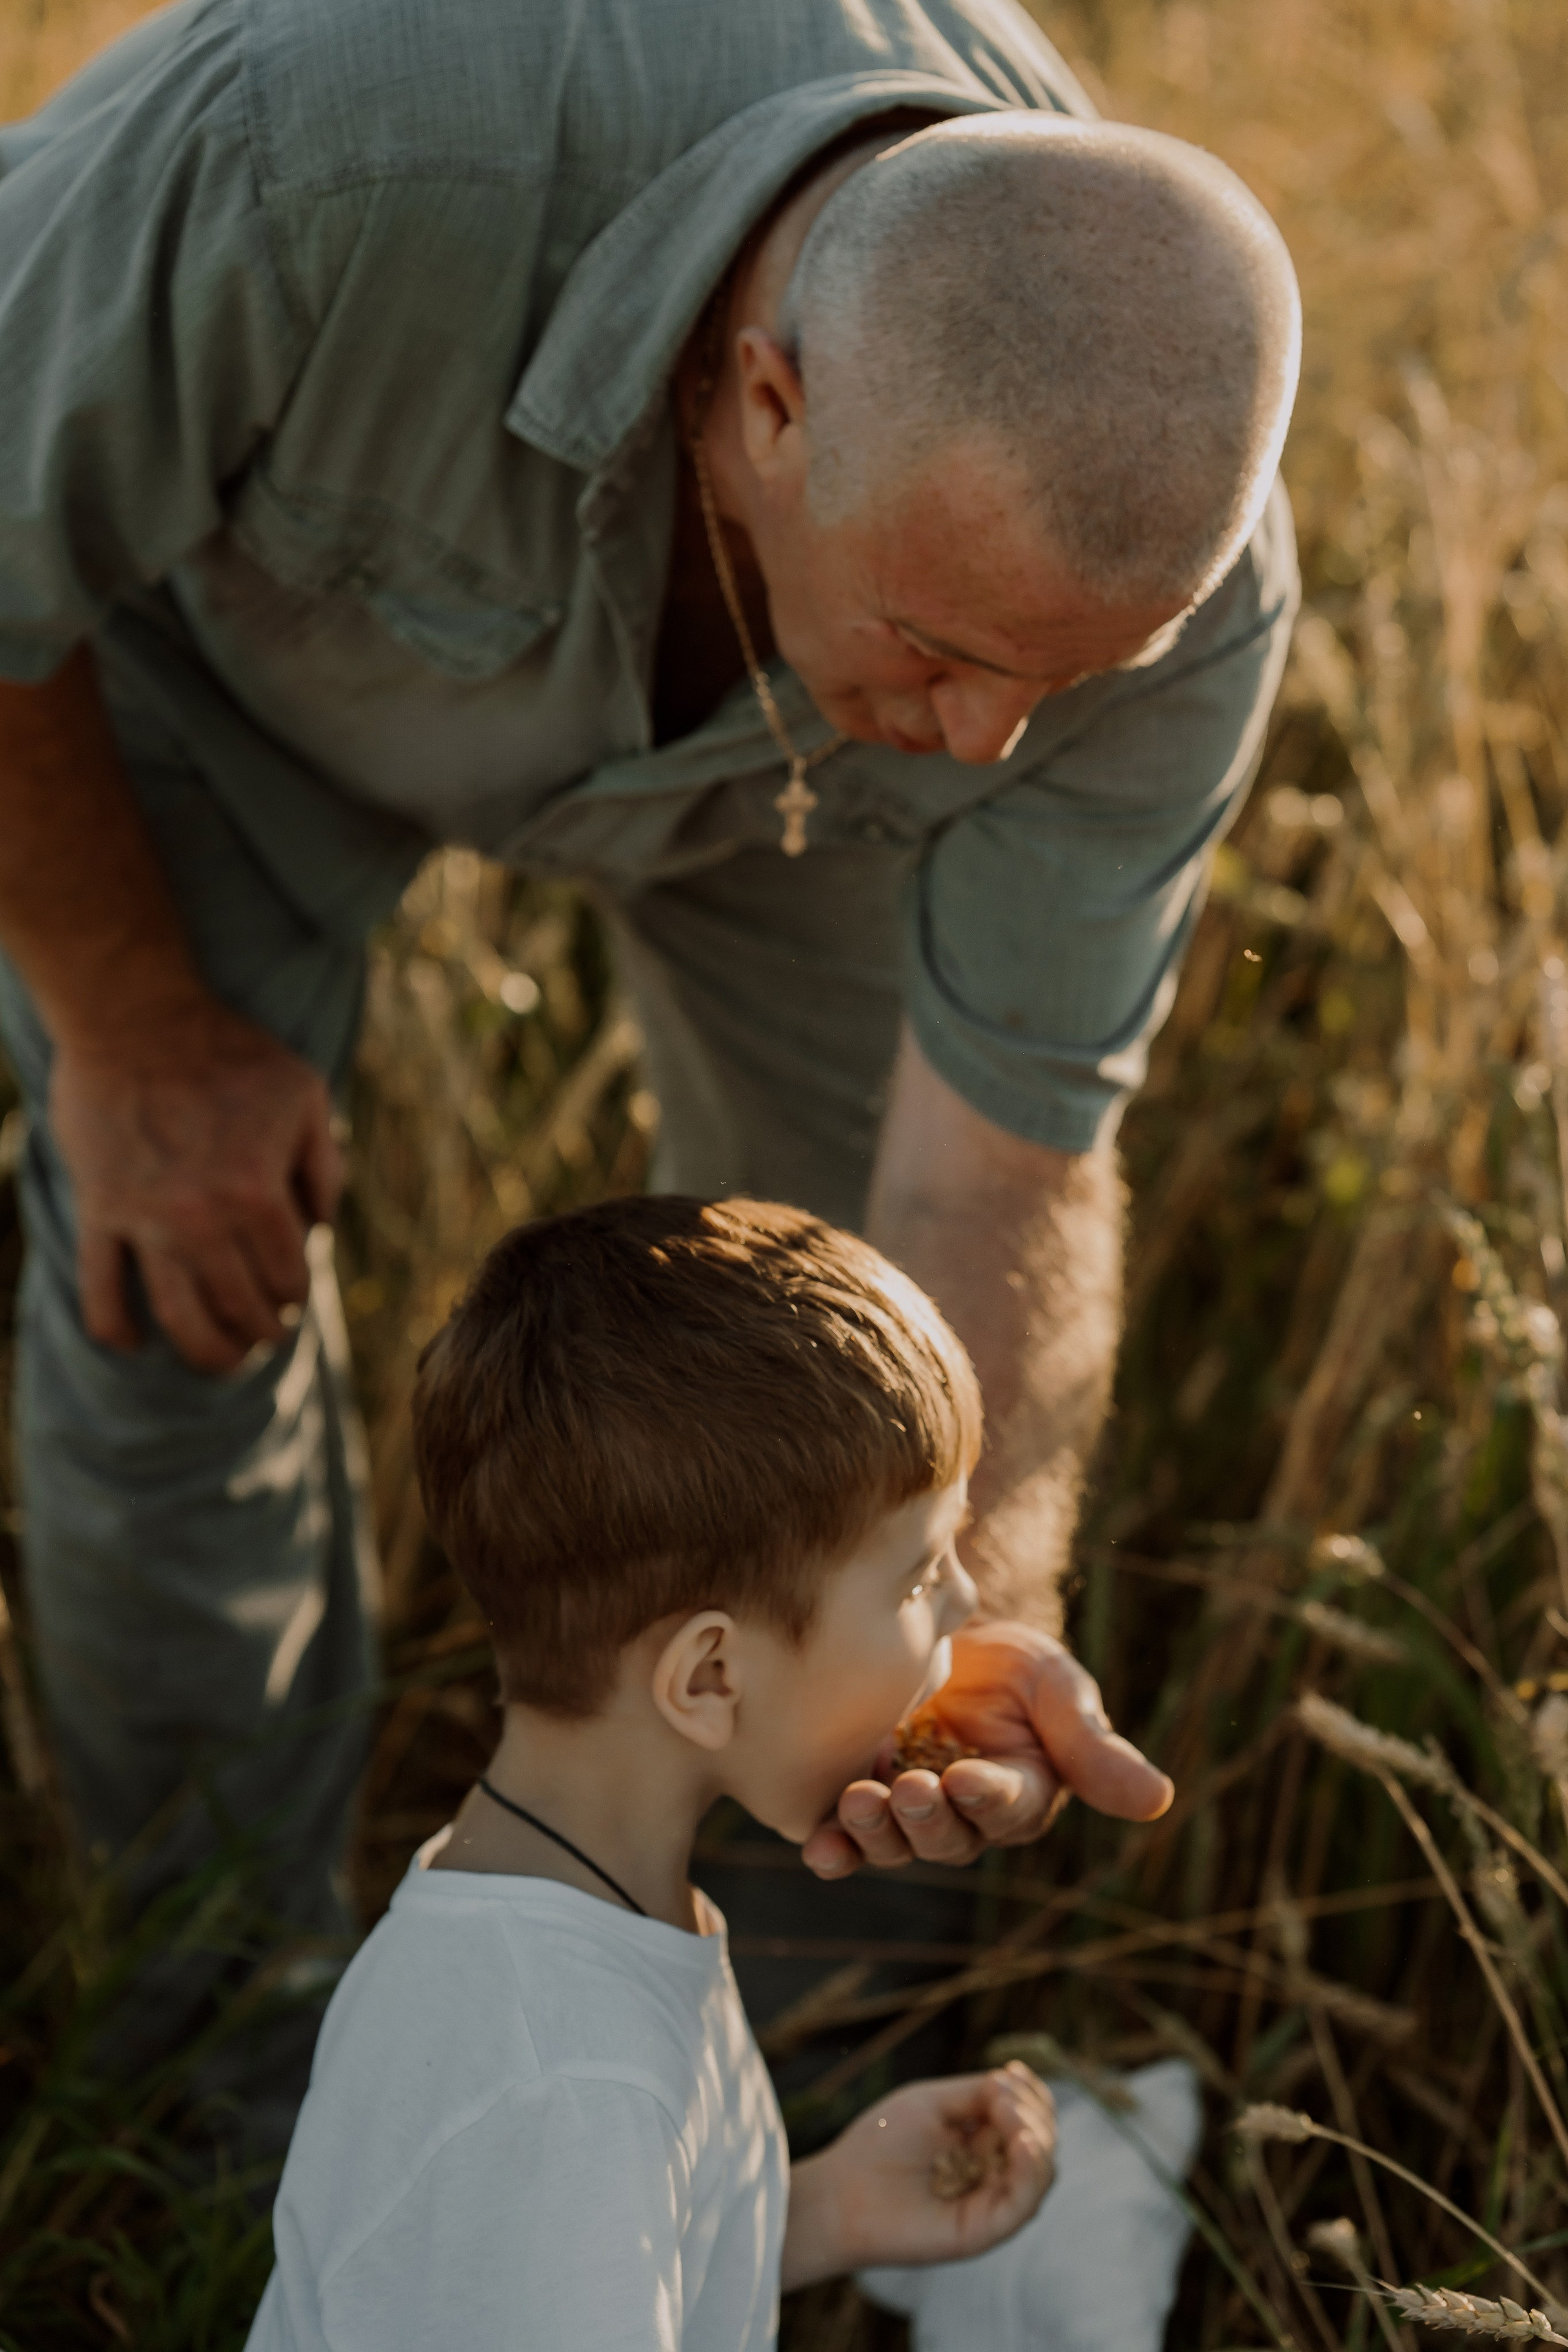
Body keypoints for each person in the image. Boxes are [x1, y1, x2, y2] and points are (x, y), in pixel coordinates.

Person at [0, 0, 1300, 2119]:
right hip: (220, 668)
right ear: (768, 403)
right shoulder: (327, 154)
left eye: (1057, 693)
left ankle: (783, 2123)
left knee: (869, 1450)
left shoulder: (1155, 586)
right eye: (953, 652)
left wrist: (959, 1624)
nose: (994, 747)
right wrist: (135, 1033)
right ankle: (217, 2094)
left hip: (791, 779)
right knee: (176, 1291)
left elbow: (996, 1178)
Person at [246, 1194, 1058, 2351]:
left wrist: (822, 2210)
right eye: (921, 1581)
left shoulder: (563, 1925)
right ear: (711, 1676)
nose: (971, 1609)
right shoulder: (560, 2088)